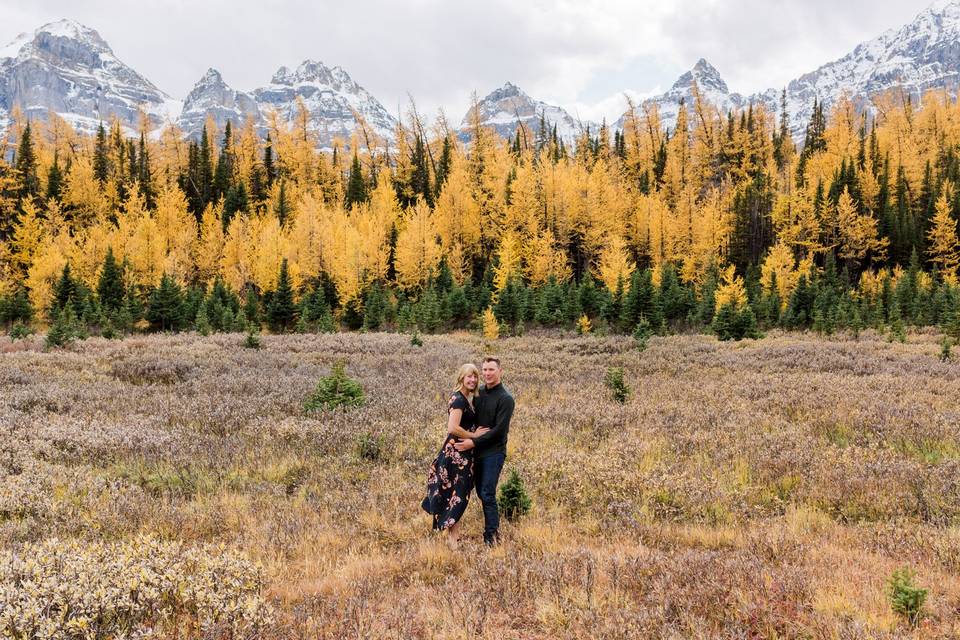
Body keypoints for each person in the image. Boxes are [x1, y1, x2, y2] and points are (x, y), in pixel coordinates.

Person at [421, 363, 490, 548]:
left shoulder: (469, 398)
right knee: (457, 496)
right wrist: (475, 436)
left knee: (457, 497)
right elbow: (452, 428)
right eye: (469, 376)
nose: (473, 380)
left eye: (475, 377)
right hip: (455, 456)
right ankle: (453, 542)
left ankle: (453, 540)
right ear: (461, 378)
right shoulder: (458, 399)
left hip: (464, 455)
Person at [453, 356, 514, 546]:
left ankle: (492, 538)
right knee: (479, 492)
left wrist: (474, 442)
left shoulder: (506, 399)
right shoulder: (479, 393)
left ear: (500, 371)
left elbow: (499, 432)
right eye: (485, 370)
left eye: (491, 370)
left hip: (493, 452)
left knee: (487, 492)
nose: (487, 374)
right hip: (476, 451)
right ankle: (455, 534)